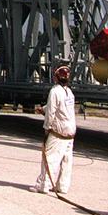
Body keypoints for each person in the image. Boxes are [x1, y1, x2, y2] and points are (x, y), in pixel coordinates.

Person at [32, 65, 77, 194]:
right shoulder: (69, 92)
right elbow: (58, 105)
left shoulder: (55, 91)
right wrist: (43, 109)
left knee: (49, 157)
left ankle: (43, 185)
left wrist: (47, 128)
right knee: (66, 160)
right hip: (70, 131)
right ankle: (62, 186)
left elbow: (52, 111)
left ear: (56, 78)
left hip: (59, 131)